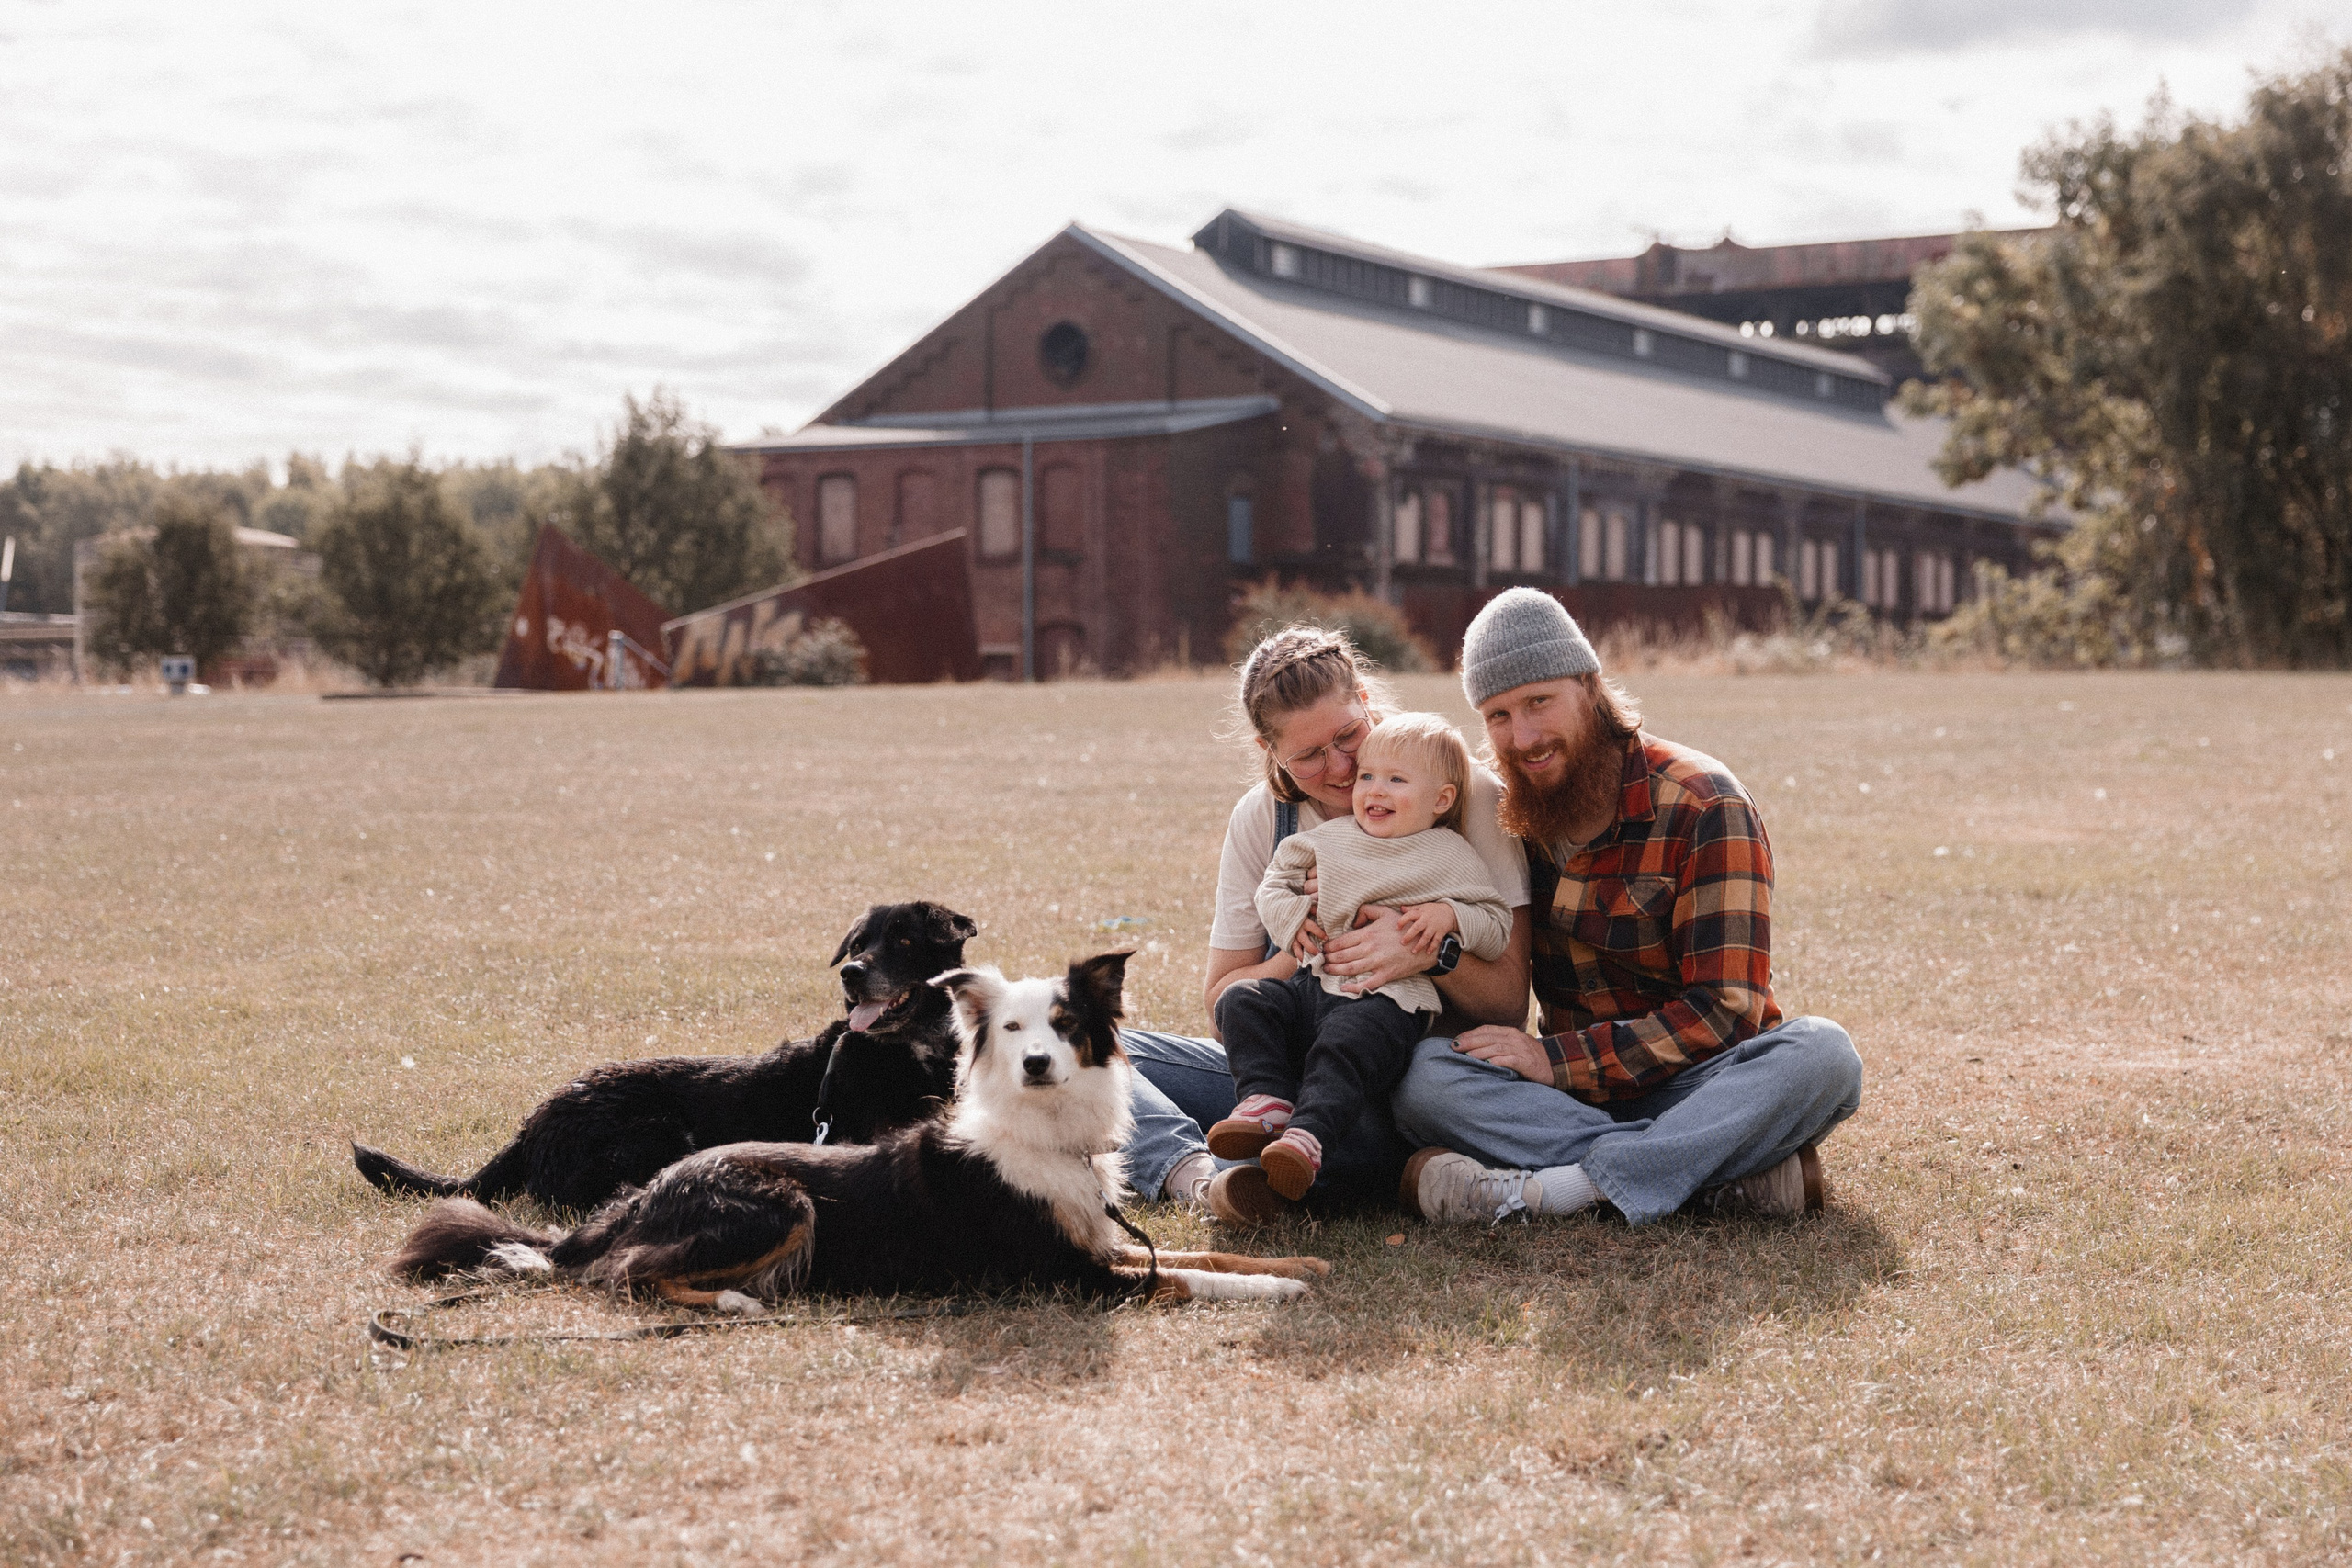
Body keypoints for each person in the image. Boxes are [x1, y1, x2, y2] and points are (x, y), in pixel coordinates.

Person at [1390, 588, 1864, 1227]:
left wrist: (1553, 1059)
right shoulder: (1499, 811)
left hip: (1703, 1085)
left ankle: (1556, 1191)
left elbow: (1726, 1011)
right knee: (1423, 1074)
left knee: (1824, 1056)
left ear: (1589, 685)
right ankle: (1712, 1177)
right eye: (1498, 715)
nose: (1523, 737)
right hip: (1567, 1100)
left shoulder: (1704, 804)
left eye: (1538, 702)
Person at [1118, 627, 1532, 1225]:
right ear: (1270, 749)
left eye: (1347, 736)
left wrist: (1426, 948)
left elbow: (1509, 1003)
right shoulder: (1266, 818)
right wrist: (1310, 938)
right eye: (1310, 755)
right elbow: (1223, 1001)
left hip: (1403, 1078)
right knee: (1092, 1048)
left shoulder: (1465, 794)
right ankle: (1205, 1177)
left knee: (1396, 1096)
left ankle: (1318, 1168)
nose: (1340, 769)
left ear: (1365, 698)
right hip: (1285, 1078)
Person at [1210, 713, 1513, 1205]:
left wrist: (1449, 916)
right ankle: (1265, 1100)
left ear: (1441, 800)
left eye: (1396, 780)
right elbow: (1276, 883)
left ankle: (1307, 1138)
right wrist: (1290, 920)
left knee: (1344, 1046)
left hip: (1386, 1002)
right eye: (1368, 776)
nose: (1375, 790)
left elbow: (1496, 927)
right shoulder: (1331, 838)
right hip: (1311, 988)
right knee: (1242, 999)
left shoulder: (1449, 854)